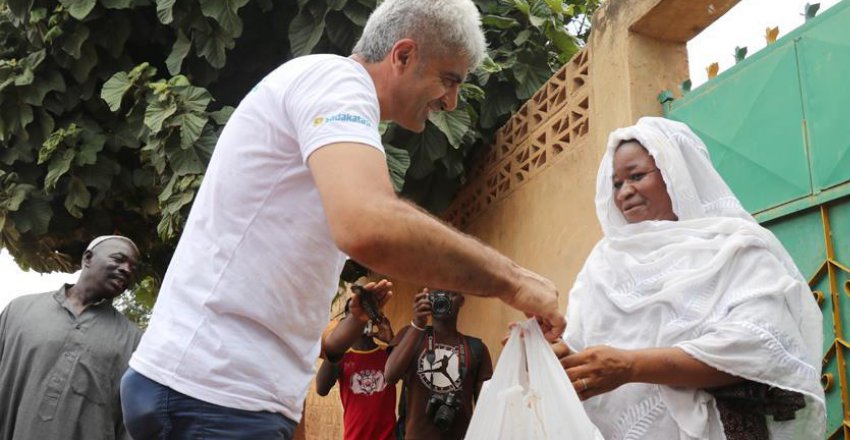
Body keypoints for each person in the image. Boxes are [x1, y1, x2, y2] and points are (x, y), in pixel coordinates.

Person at [120, 0, 565, 438]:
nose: (450, 102)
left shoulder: (332, 97)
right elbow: (370, 224)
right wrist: (515, 281)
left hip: (222, 394)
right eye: (449, 80)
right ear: (403, 54)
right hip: (211, 393)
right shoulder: (337, 82)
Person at [556, 117, 826, 439]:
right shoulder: (603, 266)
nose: (625, 192)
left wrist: (631, 366)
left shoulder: (735, 249)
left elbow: (758, 345)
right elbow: (584, 351)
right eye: (616, 184)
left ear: (675, 173)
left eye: (637, 176)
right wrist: (553, 350)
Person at [0, 235, 142, 440]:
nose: (126, 269)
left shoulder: (134, 341)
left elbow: (129, 424)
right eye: (118, 259)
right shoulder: (19, 310)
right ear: (88, 259)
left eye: (133, 267)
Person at [385, 289, 492, 440]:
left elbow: (486, 409)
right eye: (436, 294)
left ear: (461, 300)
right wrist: (417, 323)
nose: (443, 299)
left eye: (450, 294)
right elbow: (390, 375)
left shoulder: (477, 348)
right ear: (427, 298)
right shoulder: (410, 335)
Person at [315, 291, 396, 440]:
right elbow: (321, 388)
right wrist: (339, 341)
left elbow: (410, 379)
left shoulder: (388, 354)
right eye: (356, 315)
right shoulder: (342, 357)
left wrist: (391, 341)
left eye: (368, 312)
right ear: (346, 321)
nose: (363, 319)